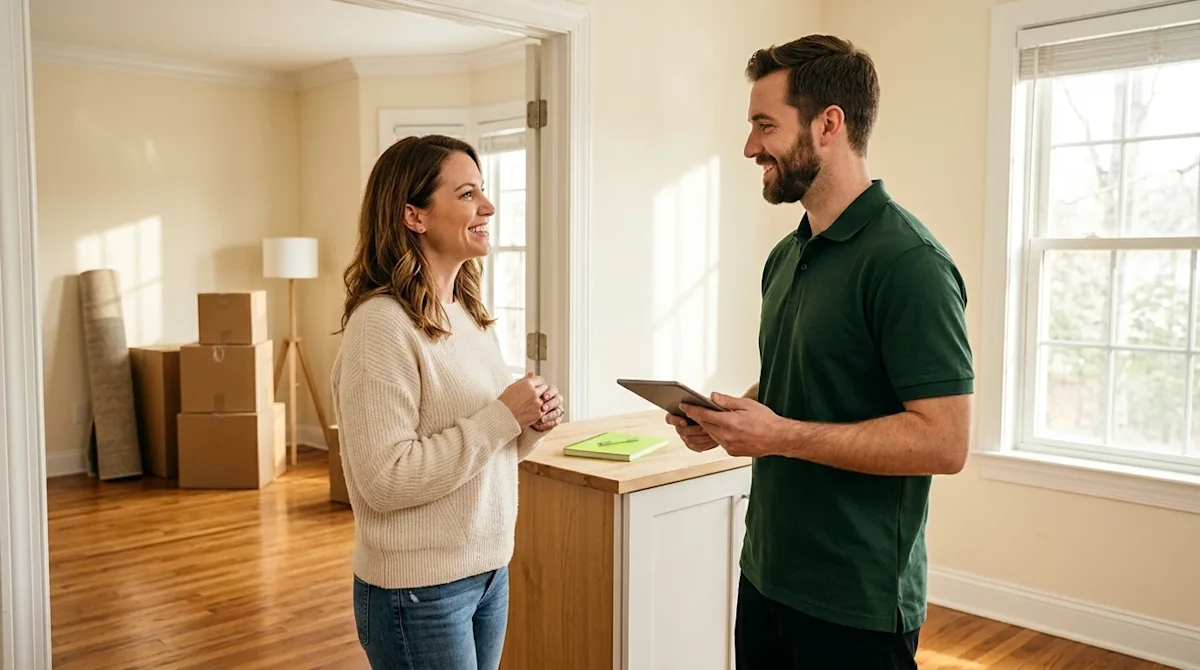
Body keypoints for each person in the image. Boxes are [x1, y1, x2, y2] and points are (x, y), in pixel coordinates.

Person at [668, 35, 974, 669]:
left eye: (765, 125)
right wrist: (727, 417)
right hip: (765, 576)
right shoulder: (787, 255)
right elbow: (804, 381)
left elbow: (944, 441)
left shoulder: (910, 263)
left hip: (856, 601)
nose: (750, 147)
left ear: (828, 124)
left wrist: (779, 435)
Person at [331, 133, 564, 670]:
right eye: (467, 194)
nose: (488, 207)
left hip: (487, 573)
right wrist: (503, 416)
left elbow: (486, 452)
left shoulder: (467, 313)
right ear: (414, 215)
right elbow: (384, 479)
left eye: (482, 190)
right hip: (418, 591)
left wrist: (528, 425)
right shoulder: (380, 326)